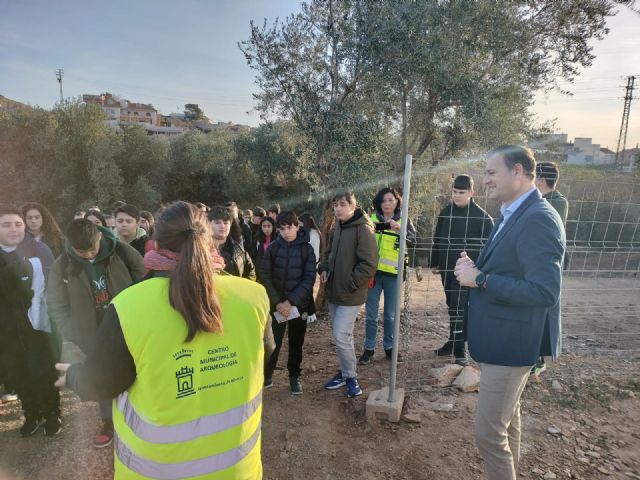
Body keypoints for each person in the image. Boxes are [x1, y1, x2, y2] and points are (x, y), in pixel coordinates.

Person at [56, 201, 270, 479]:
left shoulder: (128, 307)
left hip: (157, 469)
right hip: (237, 467)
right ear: (210, 242)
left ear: (155, 244)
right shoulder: (253, 296)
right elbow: (263, 359)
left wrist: (73, 376)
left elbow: (102, 382)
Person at [454, 145, 565, 480]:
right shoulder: (513, 212)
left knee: (488, 434)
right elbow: (513, 270)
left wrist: (482, 279)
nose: (484, 180)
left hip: (512, 345)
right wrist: (476, 268)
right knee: (507, 423)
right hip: (501, 340)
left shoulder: (538, 219)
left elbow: (545, 292)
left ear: (518, 172)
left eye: (491, 172)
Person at [47, 219, 146, 448]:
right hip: (91, 333)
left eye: (92, 248)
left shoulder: (121, 251)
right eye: (82, 251)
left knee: (137, 368)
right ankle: (108, 421)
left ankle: (139, 415)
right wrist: (72, 331)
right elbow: (56, 305)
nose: (89, 254)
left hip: (127, 324)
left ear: (100, 236)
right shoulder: (62, 265)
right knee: (100, 373)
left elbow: (143, 280)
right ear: (70, 245)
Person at [0, 204, 61, 436]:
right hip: (7, 329)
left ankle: (53, 413)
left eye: (18, 224)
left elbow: (52, 283)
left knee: (43, 371)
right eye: (6, 225)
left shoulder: (38, 248)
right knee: (19, 373)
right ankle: (32, 414)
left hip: (38, 325)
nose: (14, 229)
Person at [318, 191, 378, 398]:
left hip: (351, 294)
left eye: (342, 204)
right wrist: (323, 268)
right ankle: (345, 372)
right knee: (343, 336)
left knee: (341, 335)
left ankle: (350, 376)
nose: (338, 208)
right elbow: (327, 254)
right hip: (334, 292)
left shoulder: (363, 229)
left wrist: (350, 283)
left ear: (353, 206)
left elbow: (369, 264)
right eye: (335, 205)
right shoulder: (337, 228)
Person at [430, 175, 494, 364]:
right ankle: (452, 342)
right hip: (446, 269)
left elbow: (489, 248)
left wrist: (479, 271)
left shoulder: (482, 217)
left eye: (461, 192)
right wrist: (435, 262)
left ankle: (460, 349)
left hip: (467, 273)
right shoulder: (445, 212)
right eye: (455, 192)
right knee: (452, 306)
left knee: (460, 310)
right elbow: (438, 239)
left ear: (471, 193)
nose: (457, 196)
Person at [259, 211, 316, 395]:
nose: (286, 232)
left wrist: (290, 302)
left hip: (299, 305)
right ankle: (267, 375)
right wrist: (277, 302)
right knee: (272, 341)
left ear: (297, 226)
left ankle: (294, 377)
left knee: (296, 342)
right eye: (282, 228)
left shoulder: (307, 249)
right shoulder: (273, 248)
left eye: (289, 227)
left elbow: (309, 279)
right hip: (277, 306)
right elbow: (265, 275)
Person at [359, 187, 416, 365]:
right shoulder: (371, 219)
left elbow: (415, 241)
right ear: (379, 203)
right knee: (371, 315)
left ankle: (389, 348)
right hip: (373, 275)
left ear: (397, 202)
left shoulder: (405, 219)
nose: (387, 204)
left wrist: (401, 230)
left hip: (394, 275)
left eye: (391, 200)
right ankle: (369, 349)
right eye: (383, 200)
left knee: (391, 315)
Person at [532, 161, 569, 378]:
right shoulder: (546, 201)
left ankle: (539, 358)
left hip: (547, 267)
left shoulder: (555, 203)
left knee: (544, 311)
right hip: (538, 264)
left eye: (534, 176)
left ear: (541, 180)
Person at [209, 206, 256, 281]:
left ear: (230, 225)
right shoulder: (201, 249)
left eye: (225, 223)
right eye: (217, 223)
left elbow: (250, 272)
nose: (222, 226)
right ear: (208, 224)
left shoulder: (238, 249)